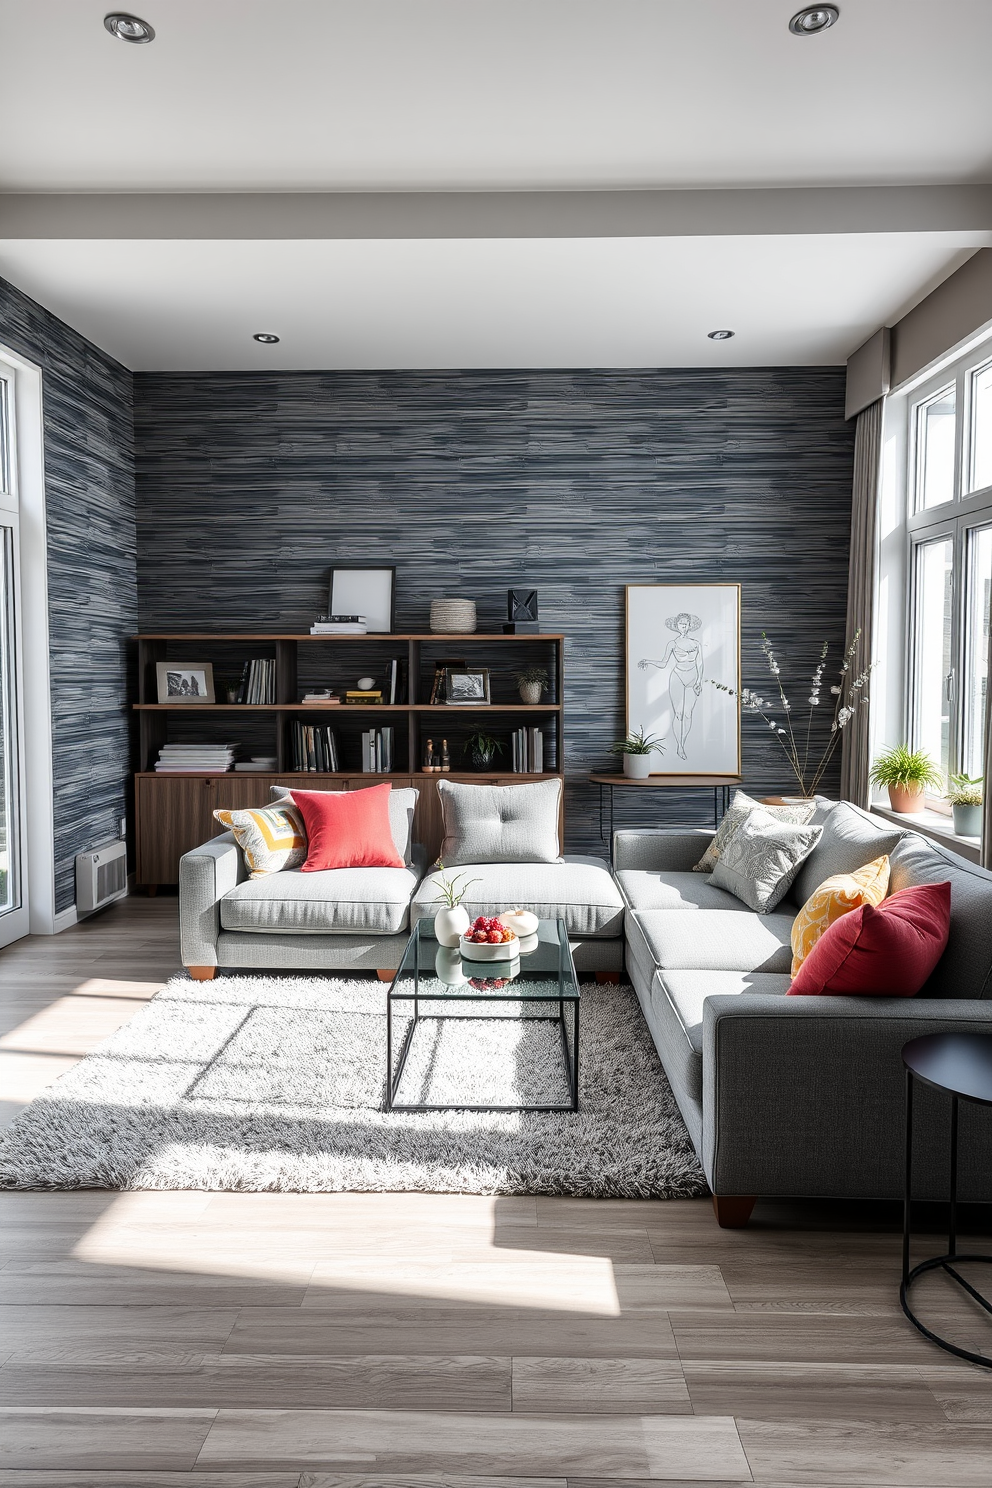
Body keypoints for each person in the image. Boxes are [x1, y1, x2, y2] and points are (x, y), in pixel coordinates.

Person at [638, 612, 703, 761]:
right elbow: (663, 663)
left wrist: (699, 681)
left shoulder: (696, 643)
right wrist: (648, 661)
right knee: (678, 713)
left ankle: (683, 743)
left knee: (688, 714)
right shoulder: (672, 644)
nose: (684, 626)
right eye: (681, 623)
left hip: (693, 678)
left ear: (690, 626)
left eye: (686, 623)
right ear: (677, 626)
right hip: (677, 677)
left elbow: (701, 663)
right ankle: (679, 746)